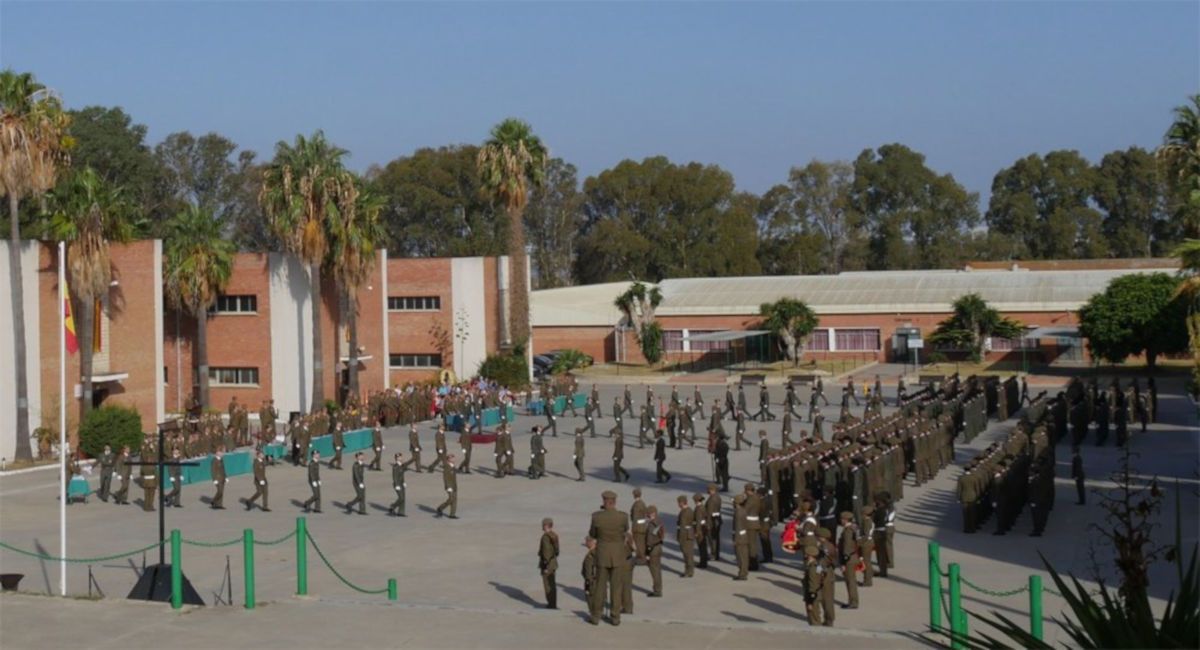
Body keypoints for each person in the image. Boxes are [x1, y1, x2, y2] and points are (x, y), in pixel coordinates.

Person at [588, 490, 630, 626]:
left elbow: (592, 534)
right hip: (618, 554)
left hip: (602, 554)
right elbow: (625, 530)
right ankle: (615, 616)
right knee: (616, 587)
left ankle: (596, 615)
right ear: (615, 502)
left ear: (604, 501)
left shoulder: (596, 517)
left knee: (600, 586)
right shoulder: (623, 517)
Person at [838, 511, 860, 609]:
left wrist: (843, 562)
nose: (841, 521)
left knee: (850, 581)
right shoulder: (853, 528)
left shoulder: (847, 531)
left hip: (849, 559)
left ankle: (853, 602)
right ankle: (853, 601)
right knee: (851, 581)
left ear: (845, 520)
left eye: (842, 519)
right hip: (853, 557)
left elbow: (846, 547)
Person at [539, 518, 560, 609]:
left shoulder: (546, 537)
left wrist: (545, 564)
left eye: (543, 524)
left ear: (546, 526)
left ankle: (551, 604)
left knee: (547, 585)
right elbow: (557, 551)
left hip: (547, 564)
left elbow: (546, 551)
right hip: (553, 562)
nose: (542, 526)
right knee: (552, 584)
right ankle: (553, 603)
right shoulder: (554, 535)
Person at [645, 506, 665, 597]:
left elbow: (649, 540)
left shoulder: (651, 525)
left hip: (653, 549)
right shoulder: (659, 521)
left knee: (654, 570)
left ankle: (657, 590)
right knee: (658, 570)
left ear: (651, 514)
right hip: (659, 547)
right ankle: (659, 588)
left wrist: (647, 552)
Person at [389, 452, 415, 516]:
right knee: (401, 498)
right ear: (396, 459)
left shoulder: (402, 465)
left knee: (403, 498)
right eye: (398, 457)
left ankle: (401, 512)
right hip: (397, 484)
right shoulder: (395, 467)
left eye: (401, 457)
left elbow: (402, 474)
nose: (400, 458)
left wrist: (404, 482)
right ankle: (392, 506)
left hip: (402, 484)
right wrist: (397, 485)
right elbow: (394, 477)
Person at [804, 546, 824, 625]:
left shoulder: (812, 568)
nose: (805, 555)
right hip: (818, 592)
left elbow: (812, 584)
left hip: (813, 594)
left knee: (813, 617)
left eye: (806, 554)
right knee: (816, 614)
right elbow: (820, 577)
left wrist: (810, 602)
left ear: (810, 555)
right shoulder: (818, 565)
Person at [732, 493, 751, 580]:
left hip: (740, 538)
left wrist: (736, 540)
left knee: (740, 556)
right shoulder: (743, 510)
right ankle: (744, 572)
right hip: (744, 536)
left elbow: (738, 527)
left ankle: (742, 574)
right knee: (744, 555)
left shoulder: (738, 512)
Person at [676, 495, 695, 577]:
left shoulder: (684, 513)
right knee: (689, 554)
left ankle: (688, 571)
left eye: (678, 503)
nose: (678, 505)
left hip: (685, 535)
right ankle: (690, 571)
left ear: (682, 503)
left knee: (686, 554)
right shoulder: (690, 510)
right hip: (690, 534)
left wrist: (680, 538)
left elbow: (682, 527)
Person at [436, 454, 458, 518]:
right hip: (449, 486)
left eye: (454, 458)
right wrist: (448, 487)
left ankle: (452, 514)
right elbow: (445, 477)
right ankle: (440, 508)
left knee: (454, 500)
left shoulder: (453, 466)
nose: (454, 459)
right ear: (448, 459)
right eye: (452, 458)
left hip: (454, 485)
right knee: (451, 499)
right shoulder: (447, 467)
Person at [705, 483, 723, 561]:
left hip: (712, 521)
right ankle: (716, 553)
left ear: (712, 490)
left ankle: (713, 554)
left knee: (712, 539)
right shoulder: (718, 497)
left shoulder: (711, 500)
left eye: (708, 489)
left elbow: (709, 513)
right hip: (717, 519)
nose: (707, 491)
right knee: (716, 538)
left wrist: (708, 523)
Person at [630, 488, 649, 562]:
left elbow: (635, 518)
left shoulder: (636, 505)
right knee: (641, 542)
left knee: (639, 543)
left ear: (634, 495)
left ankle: (641, 558)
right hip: (643, 526)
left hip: (638, 527)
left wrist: (633, 528)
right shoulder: (642, 503)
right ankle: (641, 556)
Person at [693, 493, 710, 569]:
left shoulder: (698, 509)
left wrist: (697, 532)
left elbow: (698, 521)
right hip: (703, 528)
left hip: (700, 530)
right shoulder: (702, 507)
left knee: (701, 547)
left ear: (696, 501)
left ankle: (703, 563)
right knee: (703, 546)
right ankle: (704, 560)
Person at [582, 537, 598, 606]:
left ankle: (594, 614)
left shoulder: (591, 555)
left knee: (590, 597)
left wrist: (588, 582)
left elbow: (589, 569)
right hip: (595, 579)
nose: (585, 543)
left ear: (591, 543)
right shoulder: (598, 552)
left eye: (587, 541)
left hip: (591, 580)